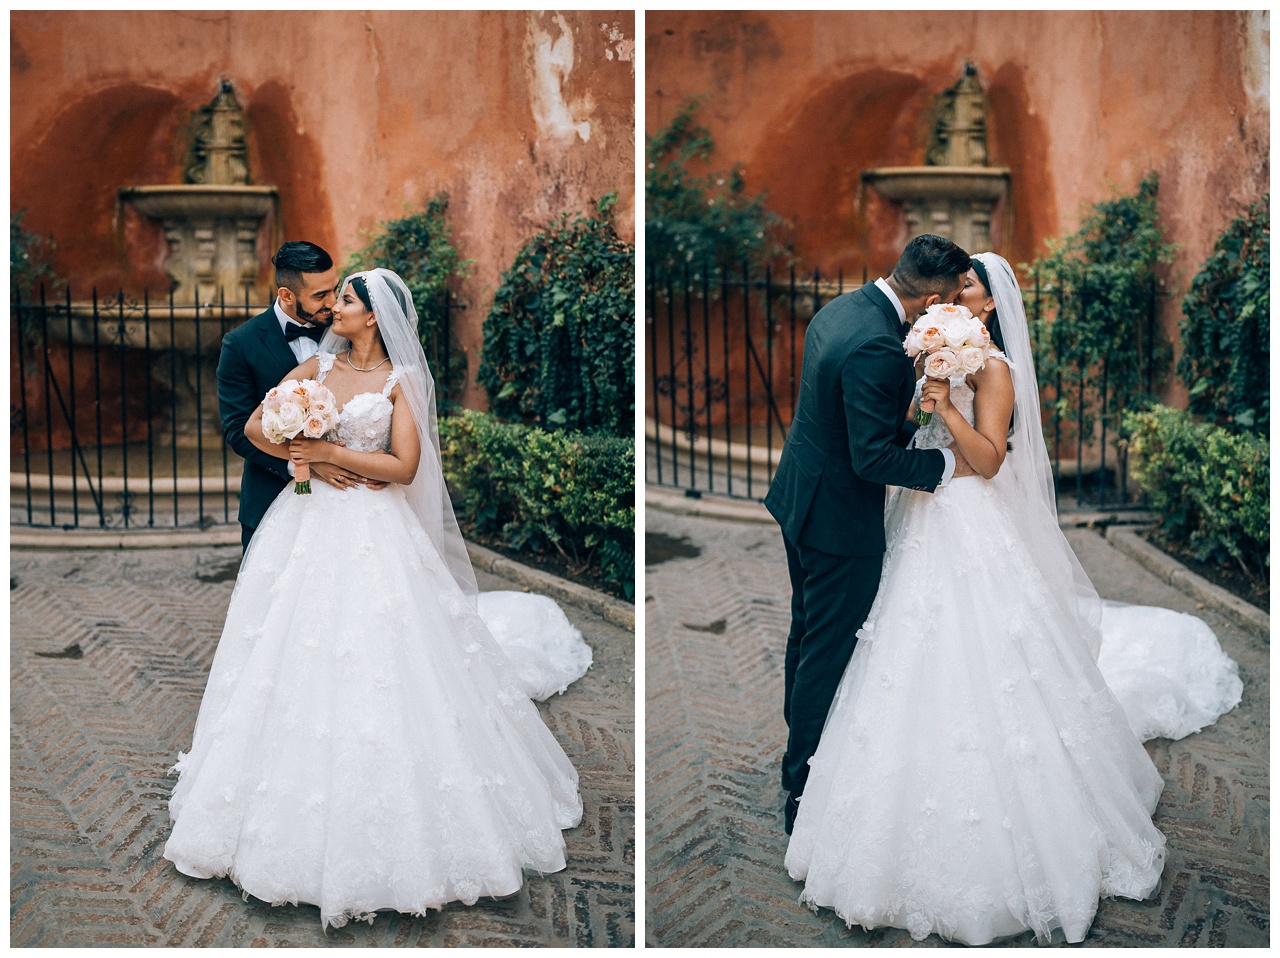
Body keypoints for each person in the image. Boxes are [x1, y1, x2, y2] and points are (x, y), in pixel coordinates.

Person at [784, 252, 1242, 945]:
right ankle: (822, 779)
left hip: (965, 517)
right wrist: (929, 400)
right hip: (924, 520)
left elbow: (989, 460)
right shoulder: (931, 351)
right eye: (954, 286)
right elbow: (897, 433)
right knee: (883, 650)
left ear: (989, 305)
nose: (955, 298)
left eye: (968, 288)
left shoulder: (994, 367)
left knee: (973, 658)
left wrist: (942, 416)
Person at [164, 267, 592, 928]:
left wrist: (337, 454)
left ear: (374, 316)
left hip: (376, 534)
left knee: (390, 662)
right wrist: (300, 461)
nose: (334, 307)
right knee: (290, 654)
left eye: (346, 300)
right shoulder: (314, 371)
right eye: (335, 299)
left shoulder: (402, 382)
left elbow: (404, 468)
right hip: (307, 526)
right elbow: (255, 427)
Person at [763, 234, 976, 834]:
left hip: (800, 496)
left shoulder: (843, 307)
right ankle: (802, 787)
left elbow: (843, 415)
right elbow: (872, 461)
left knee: (807, 636)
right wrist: (945, 466)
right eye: (956, 293)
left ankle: (799, 753)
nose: (959, 303)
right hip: (839, 525)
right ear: (932, 297)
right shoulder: (879, 346)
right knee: (827, 654)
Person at [217, 242, 383, 553]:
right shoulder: (240, 344)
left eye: (335, 290)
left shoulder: (348, 327)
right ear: (287, 295)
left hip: (348, 505)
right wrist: (309, 466)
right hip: (270, 497)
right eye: (321, 296)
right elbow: (239, 430)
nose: (333, 303)